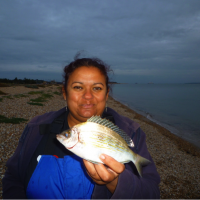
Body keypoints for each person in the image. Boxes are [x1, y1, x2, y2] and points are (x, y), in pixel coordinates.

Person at [2, 57, 160, 200]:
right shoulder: (36, 128)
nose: (88, 96)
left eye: (97, 88)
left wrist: (116, 183)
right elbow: (13, 179)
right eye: (78, 87)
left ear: (106, 95)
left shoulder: (132, 132)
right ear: (65, 93)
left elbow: (151, 194)